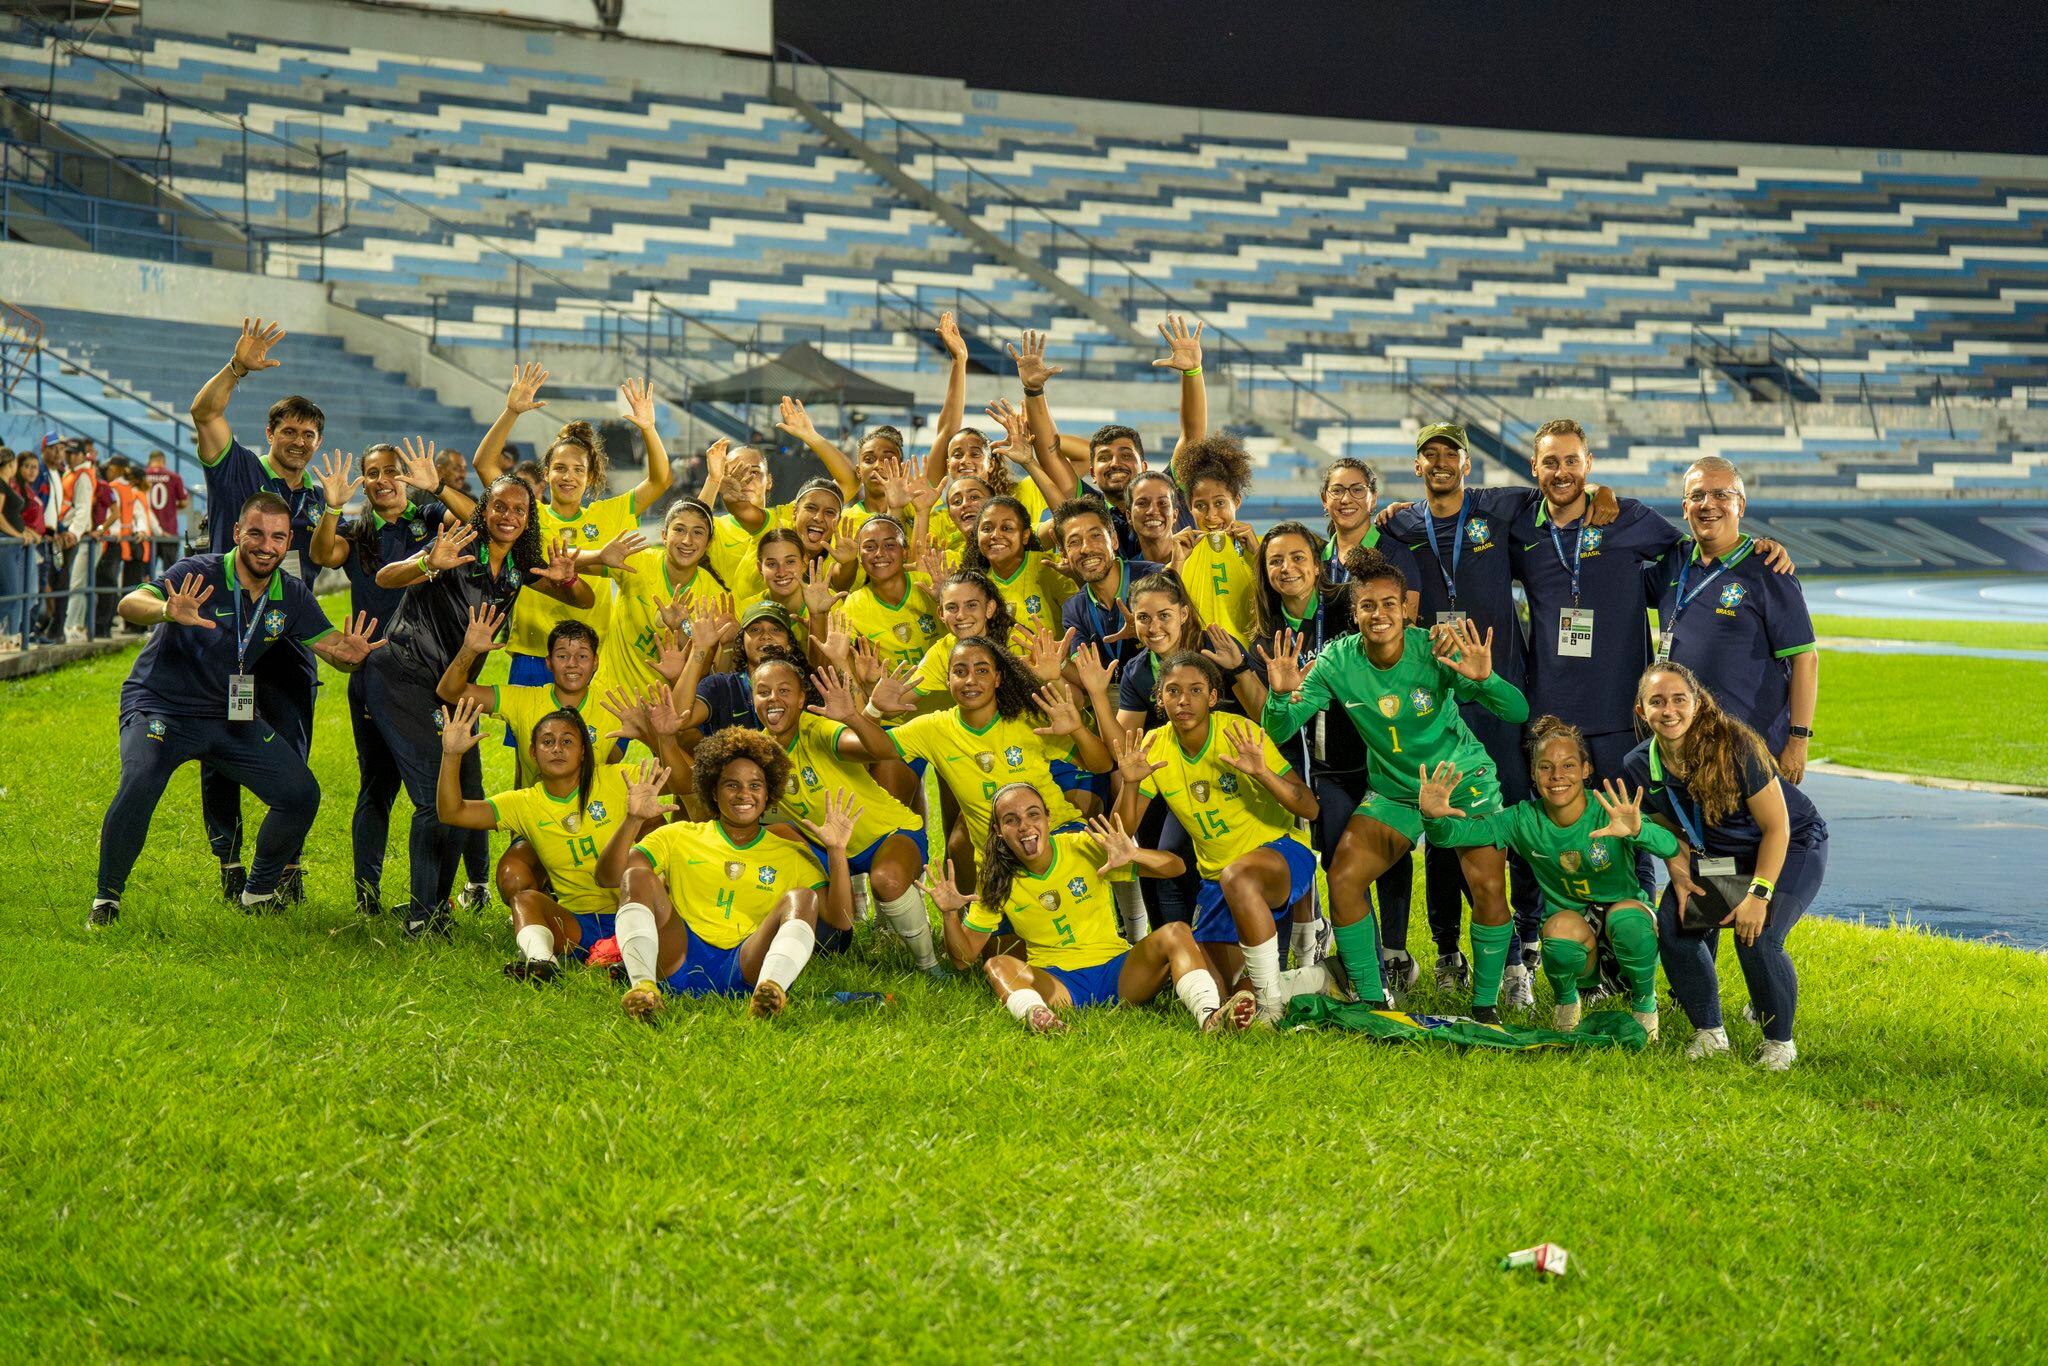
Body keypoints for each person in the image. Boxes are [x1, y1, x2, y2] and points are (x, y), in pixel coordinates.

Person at [1509, 420, 1798, 894]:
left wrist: (1758, 548)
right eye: (1550, 461)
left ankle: (1632, 933)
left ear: (1589, 465)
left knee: (1631, 829)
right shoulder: (1521, 525)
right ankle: (1531, 938)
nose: (1561, 471)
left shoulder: (1629, 518)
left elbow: (1703, 546)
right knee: (1541, 828)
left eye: (1572, 461)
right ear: (1534, 467)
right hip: (1549, 708)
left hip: (1622, 714)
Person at [89, 493, 382, 927]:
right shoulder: (198, 573)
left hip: (228, 714)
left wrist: (351, 653)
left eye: (278, 537)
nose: (267, 545)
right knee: (140, 782)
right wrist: (167, 609)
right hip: (161, 706)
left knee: (300, 795)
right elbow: (129, 605)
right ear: (236, 534)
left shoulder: (290, 592)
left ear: (287, 543)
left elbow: (332, 648)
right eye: (257, 533)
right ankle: (106, 898)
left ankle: (258, 891)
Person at [1261, 549, 1531, 1020]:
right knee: (1343, 877)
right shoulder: (1336, 662)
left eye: (1389, 604)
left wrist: (1486, 681)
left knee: (1487, 887)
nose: (1379, 614)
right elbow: (1281, 730)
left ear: (1406, 609)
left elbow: (1517, 712)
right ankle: (1370, 997)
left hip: (1462, 784)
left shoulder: (1436, 649)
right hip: (1396, 793)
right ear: (1354, 612)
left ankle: (1486, 1007)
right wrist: (1280, 697)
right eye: (1368, 606)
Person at [1379, 421, 1593, 1003]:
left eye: (1451, 453)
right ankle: (1448, 950)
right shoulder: (1399, 525)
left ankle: (1523, 948)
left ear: (1468, 465)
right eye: (1430, 455)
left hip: (1500, 697)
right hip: (1439, 702)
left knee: (1518, 819)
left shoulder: (1501, 508)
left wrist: (1606, 499)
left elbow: (1565, 496)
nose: (1441, 462)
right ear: (1418, 466)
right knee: (1445, 823)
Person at [363, 475, 599, 936]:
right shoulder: (457, 544)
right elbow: (385, 576)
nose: (509, 516)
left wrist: (568, 579)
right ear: (484, 510)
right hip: (403, 674)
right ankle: (419, 918)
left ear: (529, 520)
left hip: (452, 686)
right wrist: (429, 563)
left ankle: (436, 906)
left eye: (520, 510)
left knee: (462, 795)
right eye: (500, 507)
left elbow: (584, 601)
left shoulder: (518, 567)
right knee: (433, 796)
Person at [189, 319, 371, 904]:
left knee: (293, 739)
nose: (299, 441)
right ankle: (231, 859)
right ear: (271, 432)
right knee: (226, 742)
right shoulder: (239, 468)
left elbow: (322, 558)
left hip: (291, 633)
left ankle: (286, 862)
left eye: (309, 434)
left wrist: (331, 512)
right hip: (230, 629)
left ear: (318, 442)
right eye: (290, 430)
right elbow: (205, 414)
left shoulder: (318, 495)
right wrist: (237, 367)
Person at [1625, 663, 1828, 1070]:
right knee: (1678, 924)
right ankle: (1710, 1032)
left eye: (1680, 699)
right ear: (1641, 710)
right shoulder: (1637, 764)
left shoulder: (1735, 745)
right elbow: (1675, 833)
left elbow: (1777, 827)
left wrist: (1757, 893)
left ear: (1697, 704)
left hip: (1791, 846)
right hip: (1723, 858)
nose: (1669, 710)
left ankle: (1779, 1042)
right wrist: (1681, 877)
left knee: (1759, 934)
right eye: (1657, 701)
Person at [306, 443, 482, 914]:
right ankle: (368, 896)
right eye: (372, 473)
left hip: (435, 673)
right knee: (377, 786)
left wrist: (438, 487)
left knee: (455, 784)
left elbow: (480, 520)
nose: (382, 480)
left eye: (391, 471)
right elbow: (323, 553)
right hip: (375, 674)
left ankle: (452, 893)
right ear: (363, 481)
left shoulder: (430, 519)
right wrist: (332, 506)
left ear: (406, 476)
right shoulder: (357, 531)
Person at [1418, 717, 1676, 1037]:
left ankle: (1644, 1005)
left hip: (1624, 931)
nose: (1557, 776)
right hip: (1575, 937)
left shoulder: (1608, 808)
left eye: (1568, 765)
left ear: (1585, 769)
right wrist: (1433, 818)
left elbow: (1669, 845)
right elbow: (1459, 835)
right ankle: (1567, 1006)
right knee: (1557, 930)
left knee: (1628, 920)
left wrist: (1638, 830)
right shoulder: (1524, 818)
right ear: (1533, 773)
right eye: (1545, 767)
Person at [1113, 653, 1332, 1021]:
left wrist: (1263, 773)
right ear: (1160, 700)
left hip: (1279, 856)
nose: (1184, 700)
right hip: (1217, 881)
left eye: (1195, 690)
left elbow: (1309, 808)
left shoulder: (1238, 732)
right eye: (1173, 691)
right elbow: (1123, 828)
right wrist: (1131, 784)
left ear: (1212, 697)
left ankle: (1271, 1010)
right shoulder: (1155, 745)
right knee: (1225, 993)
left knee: (1239, 878)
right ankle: (1322, 977)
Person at [925, 794, 1258, 1034]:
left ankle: (1209, 1017)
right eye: (1011, 820)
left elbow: (1176, 867)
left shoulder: (1081, 846)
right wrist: (949, 915)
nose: (1025, 827)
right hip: (1059, 985)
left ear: (1047, 819)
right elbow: (962, 958)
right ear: (998, 831)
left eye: (1033, 815)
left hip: (1118, 972)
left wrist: (1134, 853)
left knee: (1176, 932)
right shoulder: (998, 880)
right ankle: (1039, 1017)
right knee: (996, 964)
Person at [1251, 519, 1416, 988]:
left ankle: (1396, 952)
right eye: (1276, 561)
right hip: (1324, 768)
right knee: (1342, 863)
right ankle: (1368, 965)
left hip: (1379, 756)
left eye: (1298, 557)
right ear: (1264, 572)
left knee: (1391, 852)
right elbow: (1276, 718)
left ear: (1318, 562)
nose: (1287, 568)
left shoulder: (1349, 605)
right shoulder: (1266, 637)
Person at [597, 729, 860, 1020]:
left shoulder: (790, 852)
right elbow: (608, 877)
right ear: (712, 790)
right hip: (678, 957)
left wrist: (836, 852)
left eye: (755, 785)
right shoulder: (679, 835)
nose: (744, 794)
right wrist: (633, 821)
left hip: (747, 964)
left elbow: (841, 921)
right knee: (636, 876)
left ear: (769, 792)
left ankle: (770, 990)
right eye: (731, 785)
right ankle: (644, 989)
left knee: (803, 898)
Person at [434, 694, 683, 981]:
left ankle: (634, 958)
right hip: (577, 923)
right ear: (533, 752)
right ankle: (541, 962)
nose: (557, 749)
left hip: (633, 911)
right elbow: (452, 812)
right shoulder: (524, 802)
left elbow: (684, 781)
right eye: (547, 742)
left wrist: (656, 737)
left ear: (582, 752)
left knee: (654, 882)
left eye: (567, 741)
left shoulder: (617, 779)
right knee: (526, 900)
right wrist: (451, 755)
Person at [473, 363, 675, 689]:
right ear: (547, 473)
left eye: (578, 470)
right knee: (532, 739)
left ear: (590, 477)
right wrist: (511, 411)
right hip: (533, 652)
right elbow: (484, 464)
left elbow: (661, 480)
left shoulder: (609, 513)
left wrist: (649, 429)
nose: (569, 477)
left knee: (584, 740)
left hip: (589, 654)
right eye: (560, 468)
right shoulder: (527, 514)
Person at [762, 654, 941, 972]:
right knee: (772, 838)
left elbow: (874, 749)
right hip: (829, 849)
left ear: (802, 697)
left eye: (784, 690)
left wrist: (858, 716)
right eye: (763, 691)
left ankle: (930, 967)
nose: (773, 698)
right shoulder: (758, 753)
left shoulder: (816, 729)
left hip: (886, 834)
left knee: (886, 880)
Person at [1650, 456, 1818, 781]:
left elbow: (1805, 659)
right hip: (1685, 745)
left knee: (1762, 831)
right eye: (1697, 496)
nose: (1707, 504)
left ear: (1741, 505)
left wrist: (1798, 740)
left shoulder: (1769, 570)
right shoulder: (1675, 563)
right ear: (1685, 508)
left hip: (1752, 748)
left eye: (1721, 495)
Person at [587, 496, 723, 699]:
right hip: (610, 698)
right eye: (679, 529)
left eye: (697, 532)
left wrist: (681, 630)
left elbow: (704, 671)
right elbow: (568, 560)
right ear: (664, 535)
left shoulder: (713, 597)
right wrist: (598, 556)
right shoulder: (639, 563)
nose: (687, 540)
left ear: (708, 543)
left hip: (664, 712)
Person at [1171, 434, 1261, 644]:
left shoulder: (1264, 547)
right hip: (1199, 665)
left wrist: (1257, 553)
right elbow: (1168, 610)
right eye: (1200, 506)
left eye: (1220, 503)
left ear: (1236, 501)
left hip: (1250, 665)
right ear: (1190, 508)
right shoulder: (1181, 555)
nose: (1211, 516)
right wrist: (1177, 562)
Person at [1054, 495, 1160, 668]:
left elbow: (1187, 648)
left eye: (1095, 535)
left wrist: (1148, 634)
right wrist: (1059, 665)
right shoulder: (1073, 609)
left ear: (1114, 540)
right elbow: (1087, 673)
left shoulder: (1155, 576)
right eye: (1074, 542)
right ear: (1064, 554)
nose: (1086, 549)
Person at [840, 513, 943, 671]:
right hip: (897, 695)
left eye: (889, 545)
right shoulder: (855, 604)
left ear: (905, 552)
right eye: (869, 547)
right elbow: (839, 658)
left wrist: (946, 601)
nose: (879, 553)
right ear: (860, 556)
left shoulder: (930, 584)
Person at [960, 494, 1073, 636]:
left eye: (1006, 528)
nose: (995, 535)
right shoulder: (977, 586)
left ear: (1025, 535)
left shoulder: (1049, 568)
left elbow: (1082, 621)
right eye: (987, 529)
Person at [1317, 458, 1384, 585]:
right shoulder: (1315, 559)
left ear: (1373, 498)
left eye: (1357, 490)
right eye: (1337, 490)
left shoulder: (1394, 552)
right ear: (1324, 499)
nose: (1346, 499)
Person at [0, 449, 38, 652]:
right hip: (6, 544)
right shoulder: (1, 484)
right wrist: (17, 535)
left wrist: (25, 532)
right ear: (12, 464)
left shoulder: (7, 484)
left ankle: (8, 635)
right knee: (11, 594)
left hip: (12, 543)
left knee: (15, 594)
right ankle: (7, 634)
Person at [140, 449, 190, 570]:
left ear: (150, 461)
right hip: (169, 531)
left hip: (147, 532)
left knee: (146, 574)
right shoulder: (174, 477)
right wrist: (172, 506)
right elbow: (184, 502)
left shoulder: (142, 476)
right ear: (163, 461)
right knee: (170, 573)